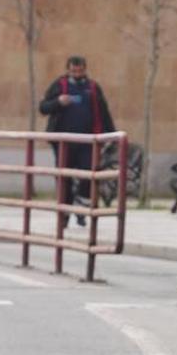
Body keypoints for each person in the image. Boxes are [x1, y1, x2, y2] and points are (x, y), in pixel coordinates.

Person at [38, 56, 116, 227]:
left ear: (85, 70)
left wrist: (112, 135)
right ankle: (64, 212)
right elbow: (43, 107)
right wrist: (58, 102)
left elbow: (104, 113)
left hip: (88, 141)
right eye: (74, 71)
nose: (77, 74)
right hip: (63, 141)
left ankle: (81, 207)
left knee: (89, 173)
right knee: (64, 177)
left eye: (80, 71)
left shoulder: (93, 88)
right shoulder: (60, 85)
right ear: (68, 70)